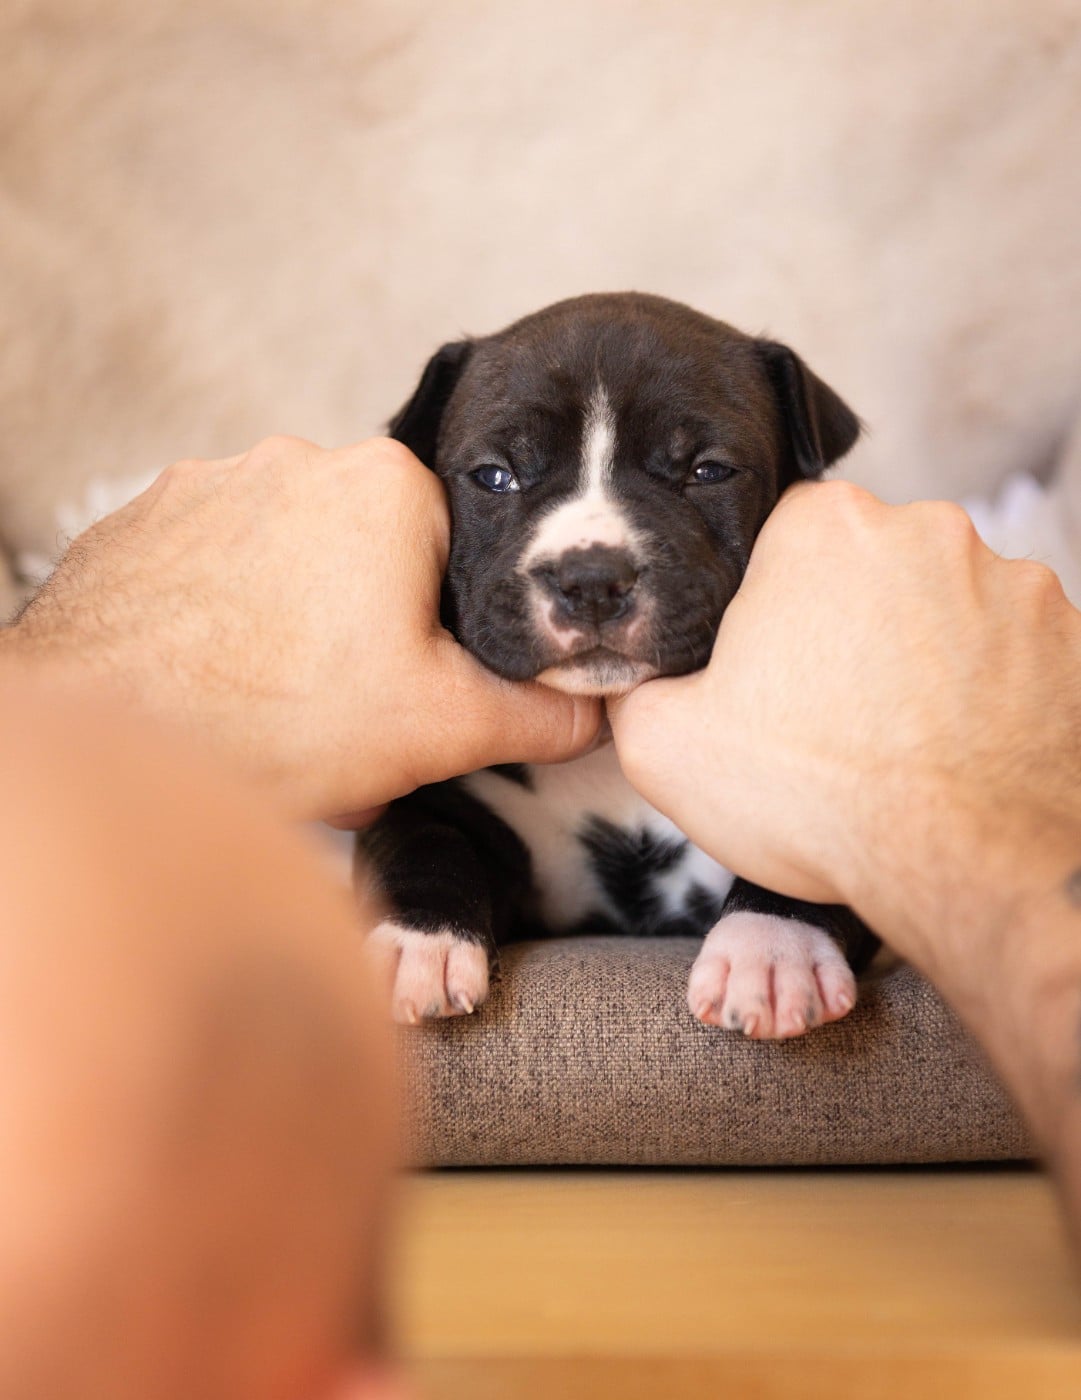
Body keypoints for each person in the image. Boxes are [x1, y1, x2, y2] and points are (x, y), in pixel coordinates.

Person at [1, 433, 1080, 1396]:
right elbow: (421, 832)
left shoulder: (810, 693)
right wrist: (426, 907)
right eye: (498, 475)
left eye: (701, 469)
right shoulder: (401, 730)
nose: (593, 550)